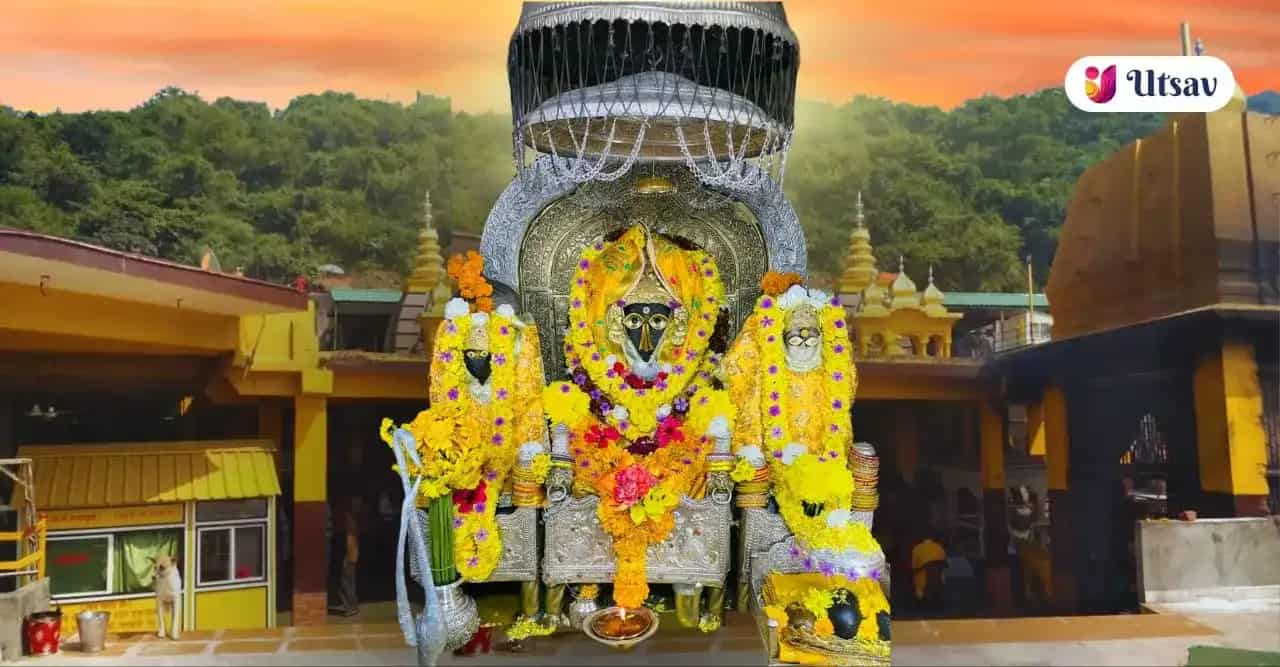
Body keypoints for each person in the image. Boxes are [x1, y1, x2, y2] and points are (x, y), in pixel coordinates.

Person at [911, 530, 947, 613]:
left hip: (923, 579)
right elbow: (944, 562)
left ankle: (920, 598)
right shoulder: (939, 547)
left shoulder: (917, 548)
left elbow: (914, 567)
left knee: (916, 578)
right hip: (938, 577)